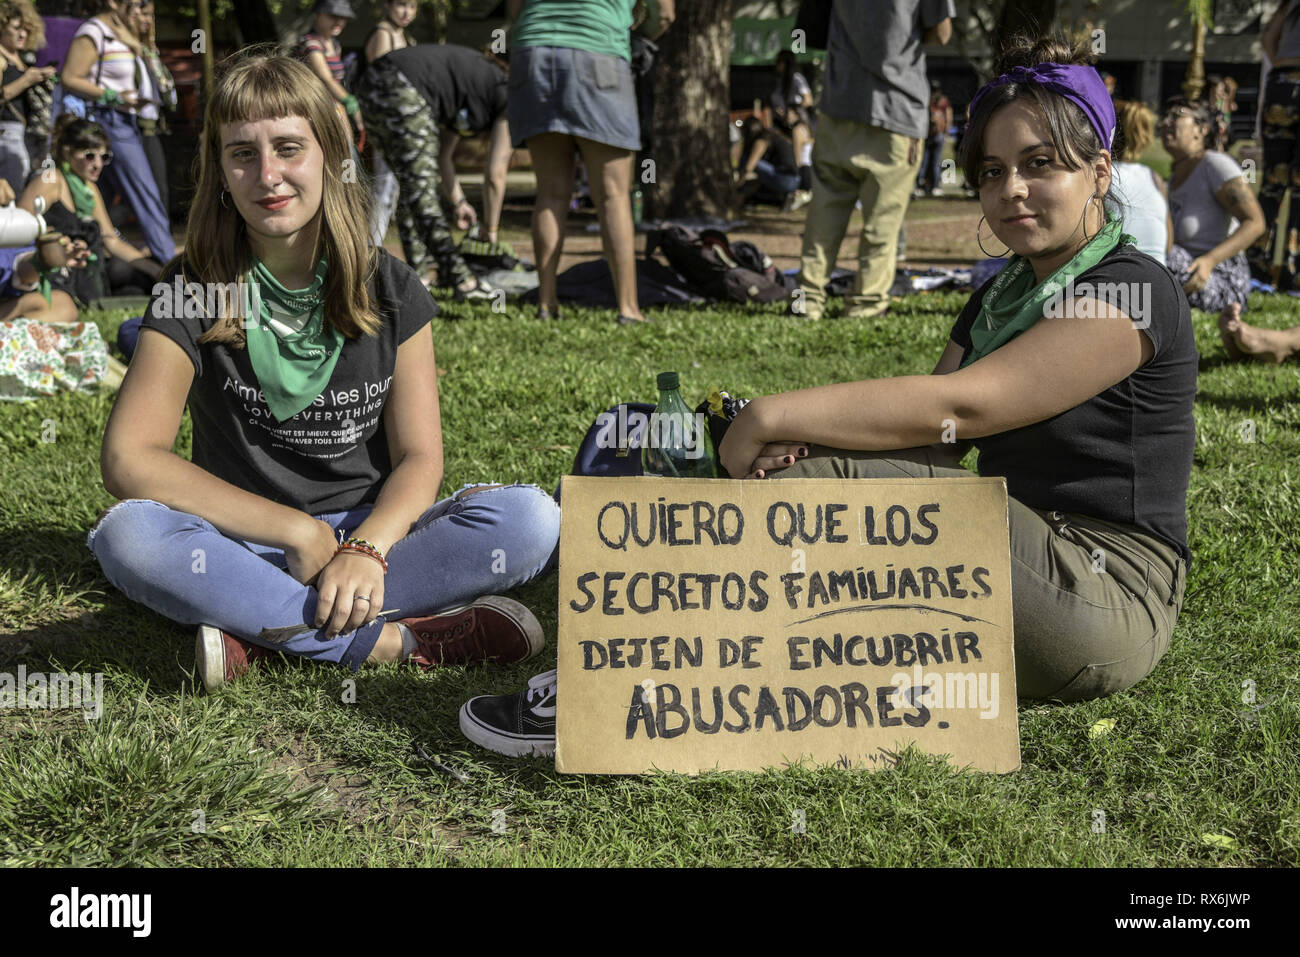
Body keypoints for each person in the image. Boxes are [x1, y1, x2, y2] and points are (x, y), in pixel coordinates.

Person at [459, 37, 1198, 758]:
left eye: (1041, 166)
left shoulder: (1133, 286)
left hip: (1103, 593)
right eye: (993, 171)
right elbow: (939, 443)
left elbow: (969, 406)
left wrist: (776, 416)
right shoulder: (1001, 298)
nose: (1011, 190)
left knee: (830, 496)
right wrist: (805, 449)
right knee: (811, 487)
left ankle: (617, 687)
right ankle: (661, 670)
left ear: (1099, 171)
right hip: (1015, 551)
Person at [86, 54, 561, 693]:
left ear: (330, 155)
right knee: (129, 535)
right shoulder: (190, 286)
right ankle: (405, 642)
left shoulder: (390, 285)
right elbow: (130, 458)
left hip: (373, 539)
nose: (268, 175)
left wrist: (364, 549)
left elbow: (420, 458)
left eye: (289, 148)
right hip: (239, 539)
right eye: (241, 154)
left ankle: (253, 622)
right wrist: (296, 531)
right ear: (221, 172)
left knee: (530, 520)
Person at [505, 0, 675, 324]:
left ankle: (546, 302)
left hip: (533, 54)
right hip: (599, 51)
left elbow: (516, 8)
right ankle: (627, 308)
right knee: (613, 195)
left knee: (551, 192)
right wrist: (638, 33)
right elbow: (664, 12)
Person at [793, 0, 955, 322]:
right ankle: (865, 306)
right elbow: (942, 33)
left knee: (823, 215)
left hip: (839, 105)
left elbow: (812, 29)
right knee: (882, 222)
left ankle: (807, 300)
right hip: (896, 107)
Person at [356, 43, 507, 301]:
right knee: (422, 196)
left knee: (411, 189)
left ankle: (420, 277)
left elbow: (443, 157)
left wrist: (458, 202)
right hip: (404, 84)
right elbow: (496, 173)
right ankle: (464, 281)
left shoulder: (470, 85)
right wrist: (490, 230)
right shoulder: (508, 95)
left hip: (371, 85)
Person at [60, 0, 174, 264]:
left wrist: (140, 44)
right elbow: (69, 77)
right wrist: (113, 96)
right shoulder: (95, 31)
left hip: (128, 121)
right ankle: (171, 266)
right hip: (108, 120)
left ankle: (91, 264)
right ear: (113, 2)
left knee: (100, 198)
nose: (141, 10)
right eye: (138, 4)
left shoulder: (127, 35)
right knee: (146, 193)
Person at [20, 114, 162, 300]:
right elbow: (20, 226)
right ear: (67, 151)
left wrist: (156, 270)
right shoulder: (51, 180)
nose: (98, 164)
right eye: (89, 156)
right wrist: (57, 242)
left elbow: (110, 238)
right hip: (52, 270)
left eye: (104, 157)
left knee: (136, 277)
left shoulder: (89, 189)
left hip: (85, 270)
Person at [1159, 96, 1265, 319]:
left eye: (1176, 116)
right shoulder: (1173, 176)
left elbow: (1255, 223)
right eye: (1165, 116)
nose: (1165, 122)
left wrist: (1210, 261)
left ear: (1201, 130)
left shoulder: (1215, 165)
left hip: (1220, 277)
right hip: (1184, 269)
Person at [1252, 0, 1300, 292]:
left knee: (1272, 183)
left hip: (1282, 82)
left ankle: (1257, 267)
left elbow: (1269, 40)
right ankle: (1293, 274)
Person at [362, 0, 416, 247]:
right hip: (388, 122)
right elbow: (381, 82)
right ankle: (371, 249)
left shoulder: (403, 36)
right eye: (402, 5)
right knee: (384, 187)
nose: (407, 12)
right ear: (387, 5)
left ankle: (376, 246)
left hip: (402, 121)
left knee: (395, 189)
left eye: (413, 6)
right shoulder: (383, 34)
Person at [1107, 100, 1170, 266]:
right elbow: (1168, 244)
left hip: (1117, 278)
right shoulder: (1154, 178)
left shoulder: (1101, 176)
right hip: (1160, 276)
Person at [130, 0, 175, 225]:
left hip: (152, 126)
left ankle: (161, 240)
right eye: (143, 14)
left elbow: (166, 90)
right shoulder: (121, 48)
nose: (147, 20)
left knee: (159, 189)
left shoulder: (149, 51)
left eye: (151, 16)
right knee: (142, 189)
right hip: (132, 126)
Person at [295, 0, 364, 146]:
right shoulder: (310, 43)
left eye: (343, 17)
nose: (339, 21)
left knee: (347, 157)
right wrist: (350, 102)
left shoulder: (334, 44)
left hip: (336, 108)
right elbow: (326, 79)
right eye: (333, 16)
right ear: (319, 14)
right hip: (317, 109)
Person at [0, 0, 53, 190]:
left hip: (27, 134)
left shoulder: (19, 57)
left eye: (25, 29)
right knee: (12, 193)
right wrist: (27, 80)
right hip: (8, 134)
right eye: (16, 28)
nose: (22, 34)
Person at [771, 49, 814, 210]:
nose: (777, 66)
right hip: (786, 123)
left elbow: (808, 100)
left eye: (780, 62)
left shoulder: (796, 79)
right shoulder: (782, 82)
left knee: (801, 157)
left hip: (798, 122)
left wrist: (794, 111)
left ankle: (802, 189)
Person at [735, 115, 801, 208]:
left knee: (751, 162)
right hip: (795, 180)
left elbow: (748, 167)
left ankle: (739, 195)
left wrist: (737, 185)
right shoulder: (772, 136)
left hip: (786, 180)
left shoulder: (761, 140)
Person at [915, 79, 952, 197]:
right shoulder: (937, 100)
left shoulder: (931, 99)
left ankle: (927, 186)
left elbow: (948, 116)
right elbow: (948, 116)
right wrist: (947, 131)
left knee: (927, 162)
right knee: (931, 162)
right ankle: (931, 186)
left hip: (932, 134)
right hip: (932, 134)